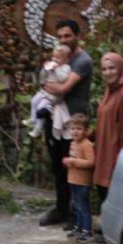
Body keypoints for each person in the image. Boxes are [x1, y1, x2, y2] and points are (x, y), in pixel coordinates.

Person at [39, 19, 93, 228]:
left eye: (67, 35)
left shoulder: (82, 61)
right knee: (58, 167)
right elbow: (45, 79)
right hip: (54, 121)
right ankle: (60, 208)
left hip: (74, 125)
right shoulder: (58, 60)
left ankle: (75, 213)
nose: (63, 40)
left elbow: (63, 88)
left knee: (75, 168)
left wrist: (46, 84)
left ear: (77, 36)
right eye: (60, 36)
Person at [92, 52, 123, 213]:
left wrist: (121, 160)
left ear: (120, 68)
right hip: (103, 150)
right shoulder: (110, 89)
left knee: (115, 194)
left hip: (115, 153)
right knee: (103, 191)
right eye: (104, 69)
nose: (107, 72)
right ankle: (108, 228)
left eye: (112, 68)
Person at [23, 44, 72, 139]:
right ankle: (33, 119)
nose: (55, 59)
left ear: (66, 59)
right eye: (54, 56)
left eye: (58, 58)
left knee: (41, 109)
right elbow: (43, 78)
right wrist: (44, 69)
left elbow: (63, 79)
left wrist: (56, 69)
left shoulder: (66, 68)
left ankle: (37, 130)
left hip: (54, 96)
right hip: (44, 92)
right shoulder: (52, 64)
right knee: (34, 101)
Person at [60, 114, 95, 243]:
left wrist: (74, 162)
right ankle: (78, 228)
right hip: (73, 180)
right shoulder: (73, 143)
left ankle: (87, 232)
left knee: (83, 207)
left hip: (83, 182)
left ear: (85, 130)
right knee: (76, 206)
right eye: (73, 128)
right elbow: (73, 159)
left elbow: (91, 162)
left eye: (79, 128)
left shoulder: (87, 145)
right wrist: (68, 163)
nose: (75, 131)